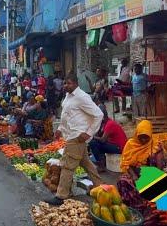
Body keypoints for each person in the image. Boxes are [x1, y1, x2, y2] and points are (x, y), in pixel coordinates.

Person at [47, 74, 103, 206]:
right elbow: (66, 115)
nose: (66, 85)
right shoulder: (68, 96)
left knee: (67, 166)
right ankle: (101, 187)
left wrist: (89, 133)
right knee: (86, 164)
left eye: (69, 83)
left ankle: (61, 195)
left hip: (77, 136)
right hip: (71, 134)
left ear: (76, 84)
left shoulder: (82, 97)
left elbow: (98, 115)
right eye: (65, 83)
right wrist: (60, 128)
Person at [88, 105, 127, 173]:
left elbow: (103, 139)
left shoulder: (109, 124)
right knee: (96, 143)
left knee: (93, 143)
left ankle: (101, 165)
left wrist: (92, 136)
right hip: (115, 145)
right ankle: (102, 161)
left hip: (119, 147)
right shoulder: (107, 122)